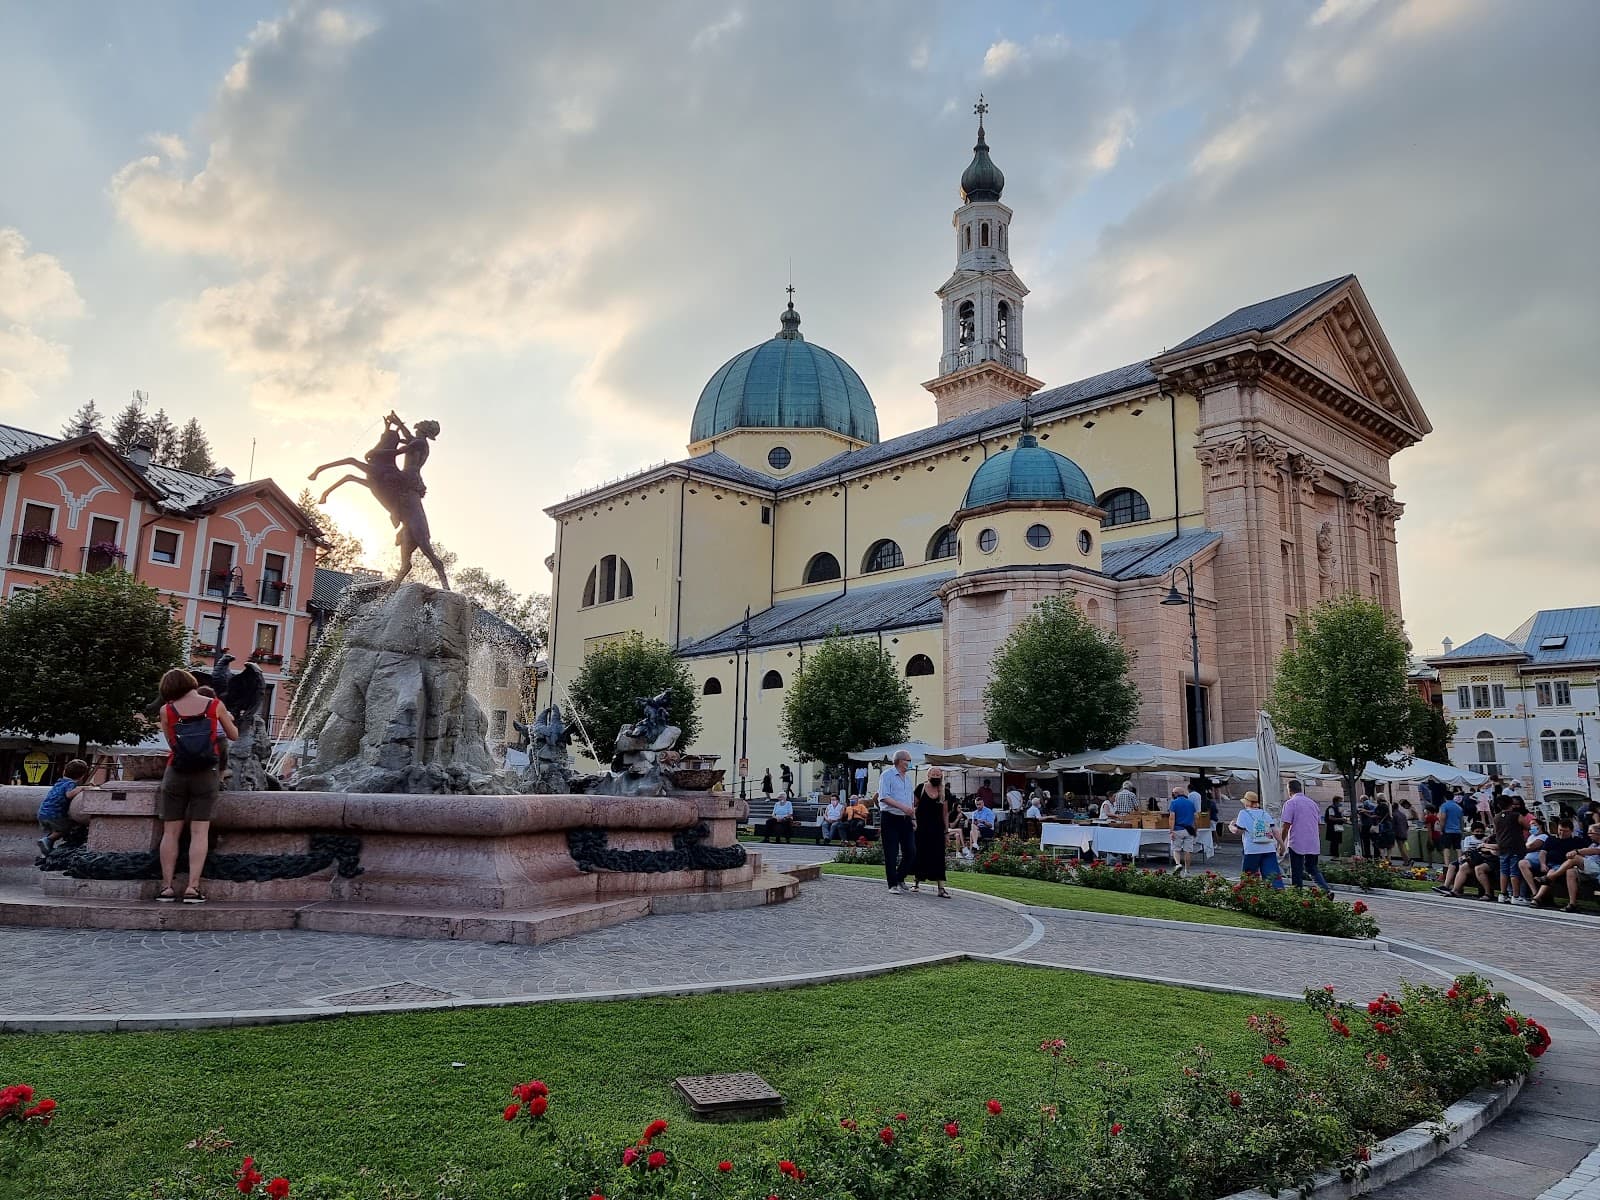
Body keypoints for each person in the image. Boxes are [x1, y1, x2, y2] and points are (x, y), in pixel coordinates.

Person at [156, 668, 239, 904]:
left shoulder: (167, 710)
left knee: (170, 832)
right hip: (206, 772)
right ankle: (193, 888)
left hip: (176, 771)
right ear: (191, 682)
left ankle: (167, 887)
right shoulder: (215, 705)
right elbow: (233, 735)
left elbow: (172, 742)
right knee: (199, 832)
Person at [1531, 822, 1600, 912]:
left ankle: (1549, 878)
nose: (1589, 835)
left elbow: (1595, 851)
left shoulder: (1583, 842)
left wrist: (1577, 851)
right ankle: (1572, 904)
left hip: (1597, 868)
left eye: (1591, 832)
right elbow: (1543, 852)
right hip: (1583, 868)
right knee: (1570, 871)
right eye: (1560, 830)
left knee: (1575, 858)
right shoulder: (1593, 844)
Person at [1279, 779, 1331, 894]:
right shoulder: (1313, 803)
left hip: (1297, 841)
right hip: (1313, 841)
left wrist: (1281, 844)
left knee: (1296, 871)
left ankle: (1297, 895)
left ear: (1289, 790)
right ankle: (1326, 890)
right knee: (1312, 868)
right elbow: (1318, 823)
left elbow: (1286, 825)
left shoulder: (1291, 803)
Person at [876, 750, 918, 894]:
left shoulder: (907, 778)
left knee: (911, 851)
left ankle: (900, 877)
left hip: (905, 819)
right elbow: (884, 797)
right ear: (900, 761)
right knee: (891, 852)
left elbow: (910, 799)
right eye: (908, 760)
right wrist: (903, 808)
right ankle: (892, 884)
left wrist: (912, 817)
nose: (910, 763)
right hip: (890, 817)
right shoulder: (887, 775)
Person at [36, 759, 93, 855]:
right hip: (54, 814)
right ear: (82, 776)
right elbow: (69, 795)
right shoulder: (70, 784)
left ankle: (47, 848)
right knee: (66, 828)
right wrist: (81, 788)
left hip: (43, 813)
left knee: (56, 829)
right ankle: (47, 840)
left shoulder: (59, 782)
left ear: (64, 771)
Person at [911, 769, 952, 898]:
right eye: (933, 774)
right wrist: (913, 820)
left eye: (938, 775)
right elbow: (913, 805)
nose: (935, 777)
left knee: (938, 856)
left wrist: (946, 832)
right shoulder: (921, 788)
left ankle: (941, 888)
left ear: (941, 776)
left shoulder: (944, 792)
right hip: (921, 827)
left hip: (937, 828)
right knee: (920, 853)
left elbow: (945, 813)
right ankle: (916, 883)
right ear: (928, 775)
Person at [1230, 791, 1284, 888]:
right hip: (1269, 849)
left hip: (1252, 850)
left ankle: (1250, 895)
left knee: (1249, 879)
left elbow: (1238, 831)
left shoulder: (1243, 813)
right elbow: (1275, 831)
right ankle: (1278, 894)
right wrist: (1282, 846)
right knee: (1273, 877)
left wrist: (1231, 826)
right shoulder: (1264, 813)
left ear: (1246, 803)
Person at [1492, 797, 1527, 904]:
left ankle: (1503, 894)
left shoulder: (1496, 817)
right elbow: (1527, 826)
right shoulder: (1516, 815)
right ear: (1511, 804)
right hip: (1515, 846)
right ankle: (1515, 896)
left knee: (1504, 871)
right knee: (1514, 872)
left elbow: (1495, 831)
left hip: (1502, 846)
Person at [1168, 786, 1200, 877]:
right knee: (1188, 851)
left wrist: (1171, 831)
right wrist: (1196, 829)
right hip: (1189, 830)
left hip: (1178, 829)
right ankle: (1187, 871)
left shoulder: (1174, 803)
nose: (1172, 794)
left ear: (1176, 794)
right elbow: (1196, 817)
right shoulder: (1190, 803)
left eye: (1173, 793)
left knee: (1176, 849)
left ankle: (1178, 864)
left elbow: (1172, 818)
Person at [1438, 789, 1466, 869]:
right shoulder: (1459, 807)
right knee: (1458, 848)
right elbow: (1461, 820)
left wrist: (1441, 829)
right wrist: (1461, 830)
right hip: (1457, 831)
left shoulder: (1444, 806)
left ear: (1444, 797)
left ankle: (1447, 865)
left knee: (1446, 848)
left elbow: (1443, 818)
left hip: (1447, 830)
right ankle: (1460, 864)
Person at [1393, 799, 1415, 867]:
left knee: (1401, 848)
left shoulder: (1394, 815)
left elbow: (1393, 825)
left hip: (1398, 833)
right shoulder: (1403, 814)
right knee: (1403, 846)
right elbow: (1406, 825)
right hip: (1404, 832)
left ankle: (1407, 860)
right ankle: (1407, 860)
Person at [1357, 794, 1379, 859]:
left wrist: (1365, 811)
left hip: (1366, 826)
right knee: (1374, 841)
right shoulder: (1371, 804)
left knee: (1366, 842)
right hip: (1372, 825)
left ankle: (1367, 856)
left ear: (1362, 799)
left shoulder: (1365, 803)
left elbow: (1374, 809)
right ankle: (1376, 856)